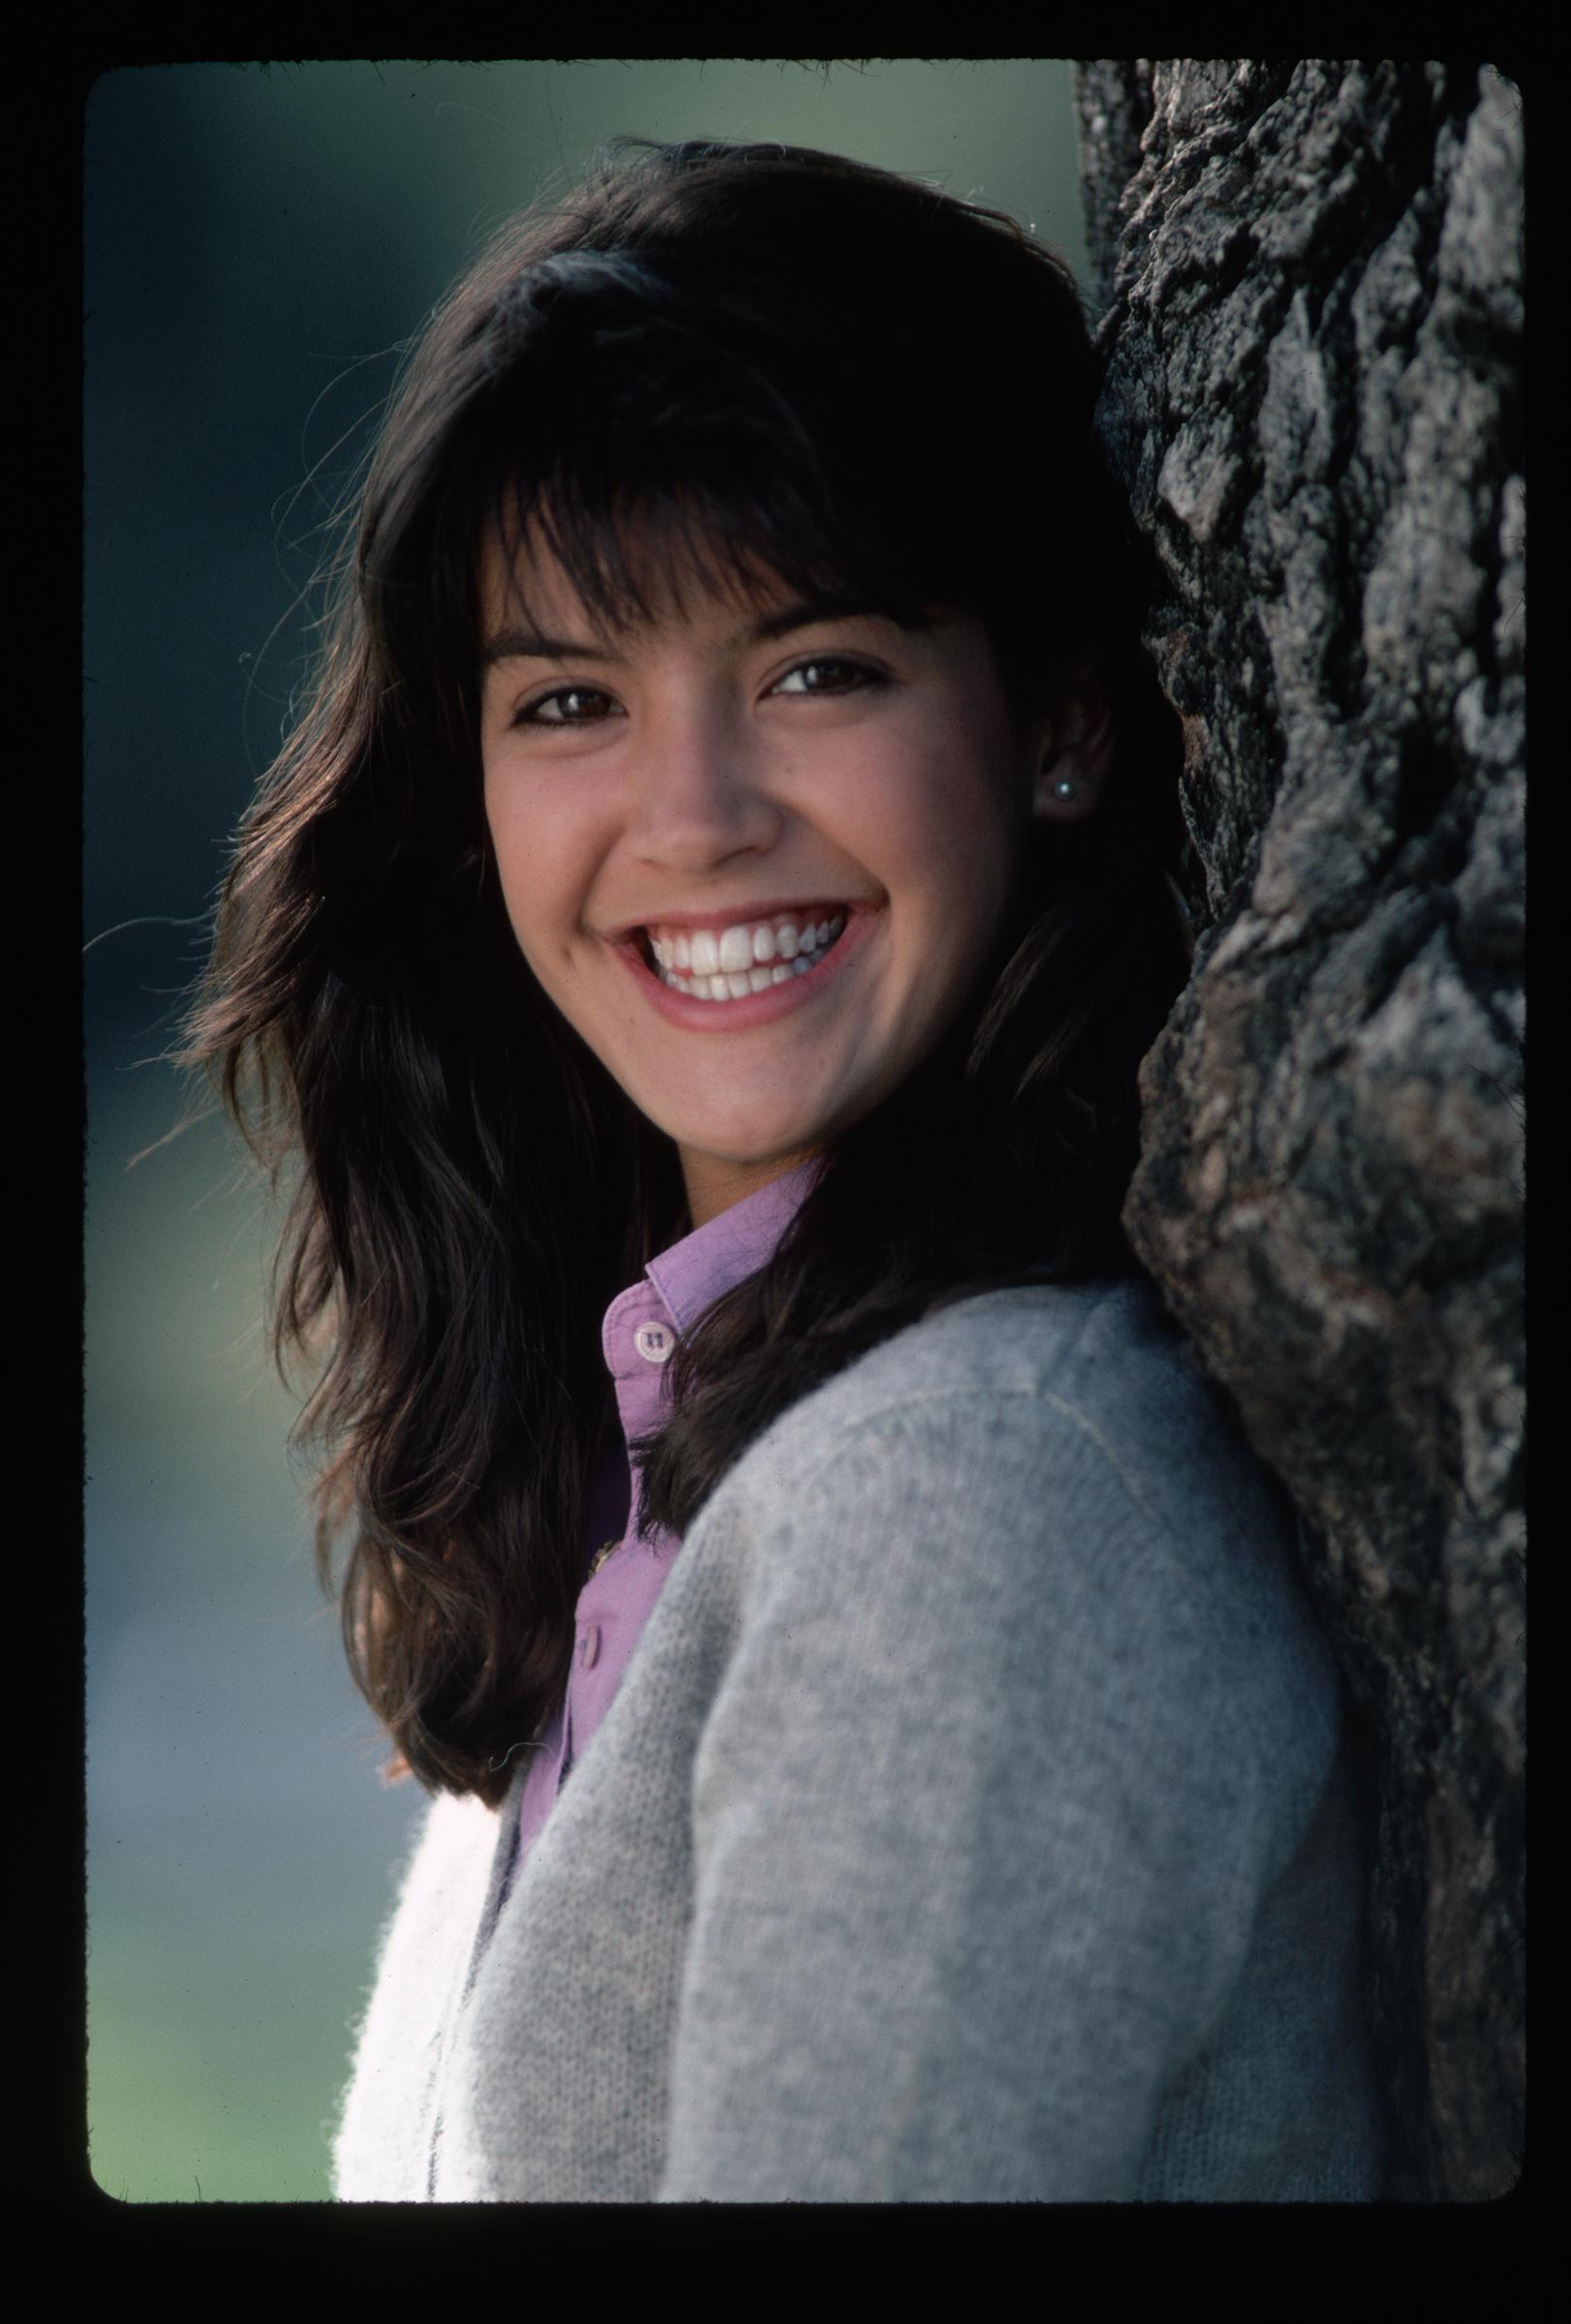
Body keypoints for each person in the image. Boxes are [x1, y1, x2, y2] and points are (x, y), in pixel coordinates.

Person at [184, 138, 1390, 2200]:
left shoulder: (976, 1496)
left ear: (1061, 718)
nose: (694, 814)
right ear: (467, 807)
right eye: (568, 699)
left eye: (814, 668)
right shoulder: (641, 1471)